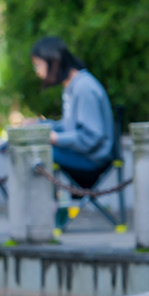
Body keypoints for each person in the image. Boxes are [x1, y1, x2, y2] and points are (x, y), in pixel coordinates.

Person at [30, 37, 114, 185]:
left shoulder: (84, 88)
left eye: (38, 65)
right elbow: (70, 126)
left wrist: (55, 139)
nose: (37, 72)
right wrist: (41, 125)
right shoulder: (71, 86)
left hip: (93, 159)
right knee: (34, 147)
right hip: (84, 153)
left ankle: (43, 206)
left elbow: (92, 137)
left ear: (54, 63)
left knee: (35, 152)